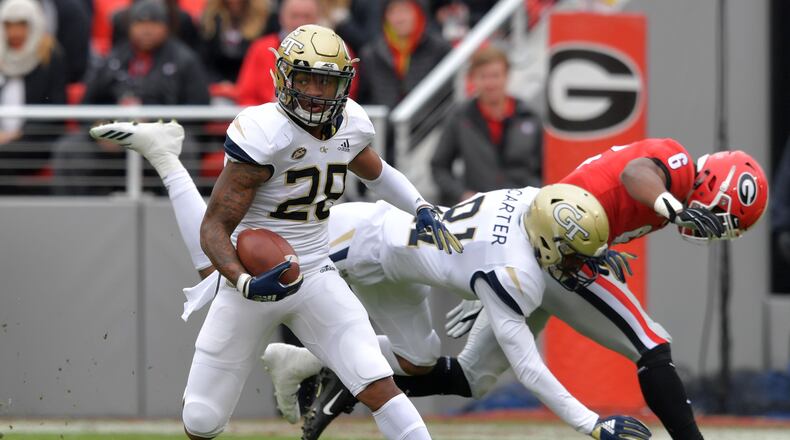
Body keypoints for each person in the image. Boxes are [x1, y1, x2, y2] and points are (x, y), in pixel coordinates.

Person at [90, 118, 652, 439]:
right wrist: (592, 425)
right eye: (574, 257)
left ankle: (304, 362)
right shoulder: (518, 276)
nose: (576, 268)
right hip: (363, 237)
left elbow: (558, 223)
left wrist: (597, 247)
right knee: (217, 270)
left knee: (419, 362)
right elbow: (528, 366)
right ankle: (166, 155)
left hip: (403, 269)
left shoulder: (530, 199)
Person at [90, 25, 463, 440]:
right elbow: (214, 226)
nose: (318, 93)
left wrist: (420, 205)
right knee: (201, 418)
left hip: (318, 274)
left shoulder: (350, 124)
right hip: (253, 281)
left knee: (376, 381)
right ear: (284, 77)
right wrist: (243, 281)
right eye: (307, 79)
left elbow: (378, 172)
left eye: (328, 82)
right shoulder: (265, 133)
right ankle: (165, 157)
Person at [266, 139, 768, 440]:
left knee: (469, 377)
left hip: (537, 244)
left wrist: (478, 289)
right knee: (651, 343)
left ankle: (341, 374)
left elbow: (474, 235)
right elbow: (639, 175)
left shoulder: (525, 209)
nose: (711, 230)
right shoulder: (673, 165)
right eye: (719, 217)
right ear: (711, 187)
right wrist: (593, 424)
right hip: (551, 256)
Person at [50, 0, 209, 196]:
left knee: (187, 149)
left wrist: (156, 126)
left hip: (163, 139)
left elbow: (199, 111)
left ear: (166, 27)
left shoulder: (185, 60)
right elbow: (87, 105)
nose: (146, 29)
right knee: (70, 149)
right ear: (130, 26)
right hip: (116, 141)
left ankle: (181, 218)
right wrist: (101, 128)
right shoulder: (114, 58)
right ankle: (73, 218)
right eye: (140, 23)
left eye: (154, 23)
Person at [430, 45, 543, 206]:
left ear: (507, 76)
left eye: (495, 75)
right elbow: (439, 167)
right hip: (479, 211)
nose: (490, 83)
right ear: (473, 79)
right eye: (483, 76)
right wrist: (462, 194)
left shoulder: (530, 116)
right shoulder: (460, 118)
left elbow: (547, 167)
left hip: (525, 209)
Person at [0, 0, 67, 195]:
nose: (15, 33)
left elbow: (56, 113)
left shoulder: (50, 55)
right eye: (8, 25)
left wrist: (16, 135)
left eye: (21, 25)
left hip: (34, 141)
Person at [234, 0, 321, 106]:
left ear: (317, 18)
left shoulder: (332, 52)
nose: (299, 23)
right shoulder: (262, 49)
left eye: (306, 16)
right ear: (281, 17)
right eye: (294, 16)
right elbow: (245, 96)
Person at [197, 0, 270, 84]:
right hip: (216, 85)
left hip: (250, 85)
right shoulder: (210, 19)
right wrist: (220, 83)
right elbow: (203, 61)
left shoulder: (265, 19)